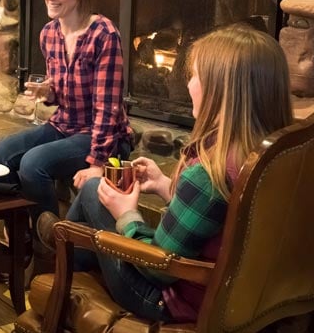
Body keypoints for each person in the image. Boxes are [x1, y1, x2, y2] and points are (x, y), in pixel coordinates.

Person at [46, 24, 293, 323]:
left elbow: (157, 267)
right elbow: (222, 219)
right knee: (94, 197)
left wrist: (126, 215)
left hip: (172, 298)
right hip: (247, 298)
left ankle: (62, 248)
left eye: (194, 76)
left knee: (91, 189)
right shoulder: (274, 155)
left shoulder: (209, 171)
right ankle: (74, 251)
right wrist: (166, 186)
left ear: (220, 90)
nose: (188, 86)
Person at [0, 0, 133, 228]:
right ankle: (22, 235)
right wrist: (48, 93)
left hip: (104, 134)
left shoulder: (103, 34)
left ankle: (51, 244)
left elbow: (108, 106)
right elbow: (63, 92)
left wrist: (98, 163)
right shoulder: (49, 33)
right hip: (64, 125)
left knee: (32, 164)